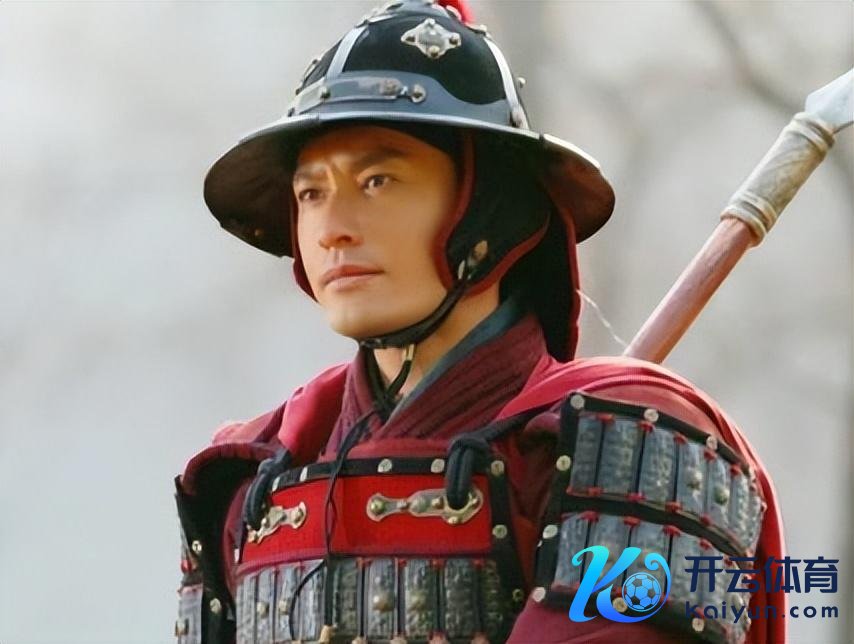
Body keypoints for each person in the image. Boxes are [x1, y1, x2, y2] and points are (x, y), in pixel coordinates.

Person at [173, 1, 784, 643]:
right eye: (311, 193)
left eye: (378, 180)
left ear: (489, 209)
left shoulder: (634, 441)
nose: (331, 229)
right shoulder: (251, 476)